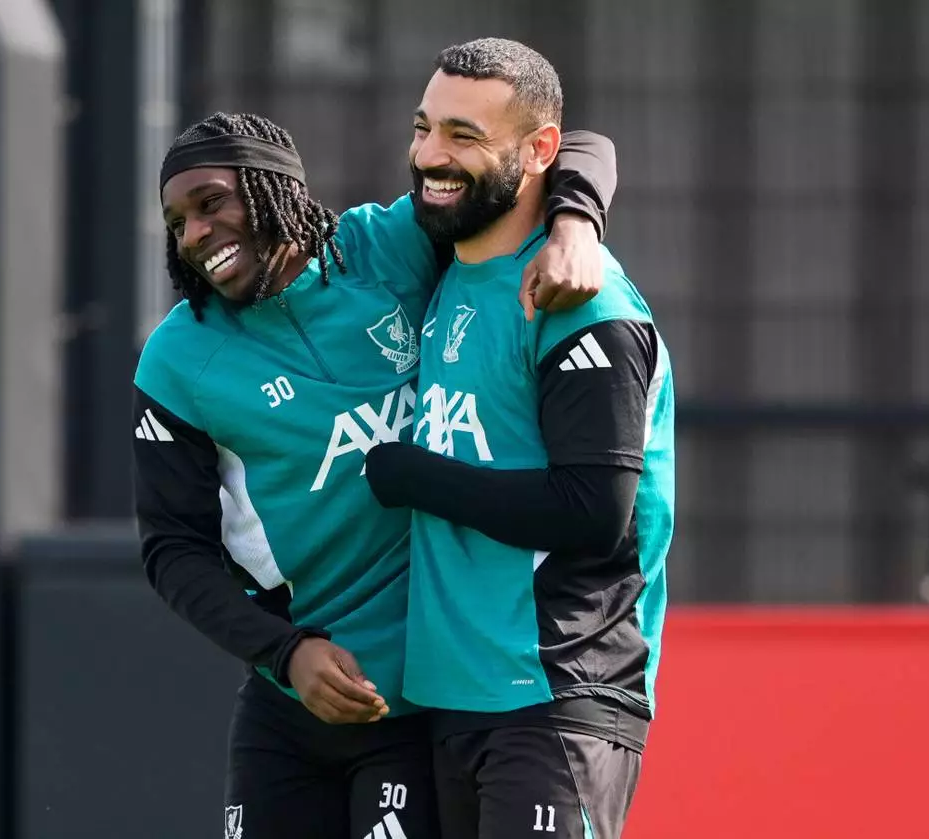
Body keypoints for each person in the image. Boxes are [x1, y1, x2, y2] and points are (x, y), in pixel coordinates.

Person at [133, 106, 617, 839]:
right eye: (177, 223)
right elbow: (173, 548)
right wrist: (285, 653)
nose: (194, 234)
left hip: (414, 704)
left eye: (211, 204)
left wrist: (576, 223)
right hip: (288, 702)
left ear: (275, 189)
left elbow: (574, 146)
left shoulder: (390, 247)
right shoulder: (177, 360)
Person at [364, 38, 675, 839]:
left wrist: (411, 475)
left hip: (556, 688)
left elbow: (590, 510)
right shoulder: (446, 262)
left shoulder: (583, 300)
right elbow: (589, 149)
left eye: (463, 135)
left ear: (538, 152)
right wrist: (578, 213)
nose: (431, 155)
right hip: (451, 697)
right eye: (424, 127)